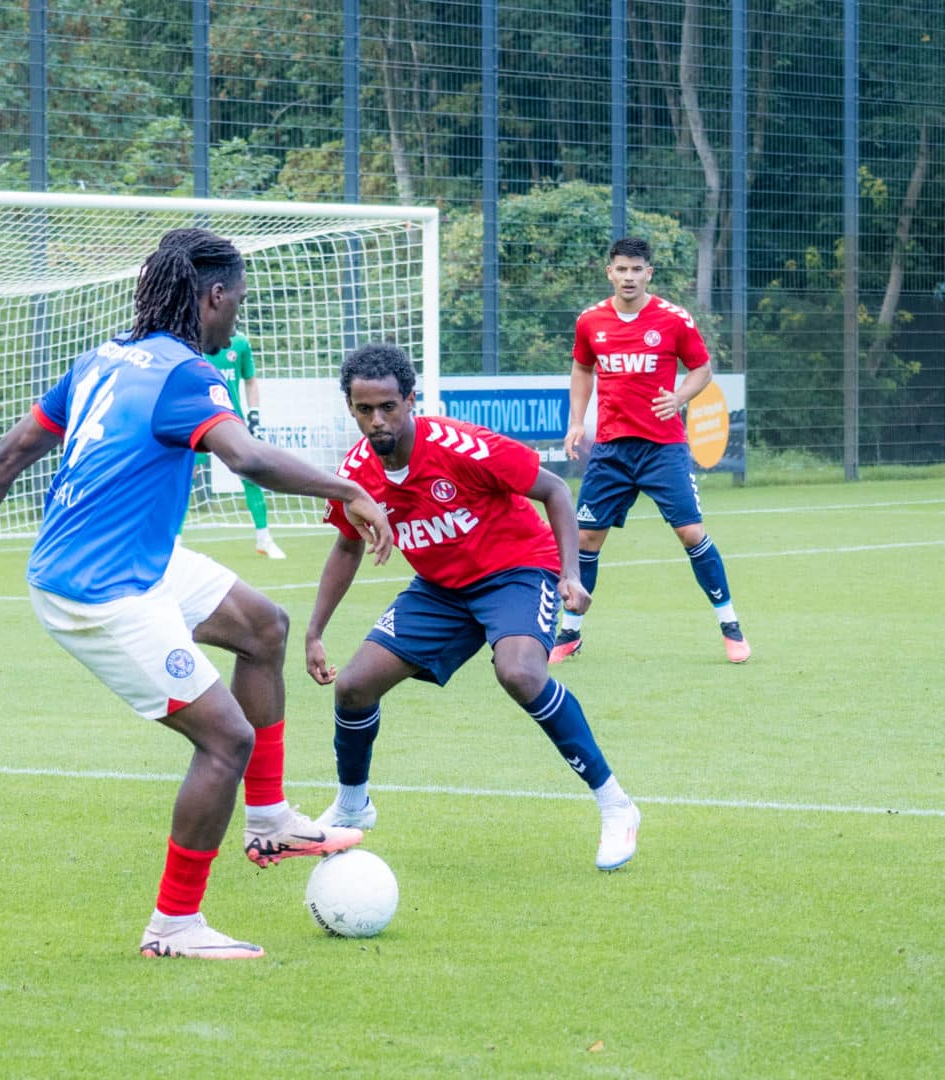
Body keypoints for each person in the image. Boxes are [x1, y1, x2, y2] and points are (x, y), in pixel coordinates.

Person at [0, 228, 394, 961]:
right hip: (98, 590)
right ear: (215, 297)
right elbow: (247, 456)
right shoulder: (188, 374)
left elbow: (8, 456)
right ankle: (174, 927)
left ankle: (269, 818)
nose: (237, 320)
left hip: (135, 559)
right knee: (224, 737)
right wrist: (347, 486)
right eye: (238, 304)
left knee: (264, 626)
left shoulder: (102, 360)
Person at [307, 342, 641, 872]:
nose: (377, 420)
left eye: (388, 407)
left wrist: (571, 574)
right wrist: (315, 631)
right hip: (442, 589)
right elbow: (348, 543)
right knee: (353, 685)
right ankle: (353, 806)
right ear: (351, 408)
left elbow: (553, 489)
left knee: (520, 673)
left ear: (410, 400)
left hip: (516, 569)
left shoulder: (460, 446)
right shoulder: (355, 473)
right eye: (364, 409)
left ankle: (616, 805)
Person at [554, 236, 750, 665]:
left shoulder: (673, 319)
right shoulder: (590, 321)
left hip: (663, 448)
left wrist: (679, 398)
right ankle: (570, 633)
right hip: (611, 449)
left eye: (636, 269)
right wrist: (575, 421)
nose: (628, 276)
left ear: (649, 273)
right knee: (585, 537)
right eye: (621, 269)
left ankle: (730, 624)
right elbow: (582, 369)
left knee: (690, 532)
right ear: (610, 272)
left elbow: (702, 368)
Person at [192, 332, 286, 559]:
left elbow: (250, 381)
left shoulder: (240, 343)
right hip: (198, 420)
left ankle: (264, 538)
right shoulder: (192, 340)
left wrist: (254, 415)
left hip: (231, 421)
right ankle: (174, 541)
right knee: (185, 477)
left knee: (251, 474)